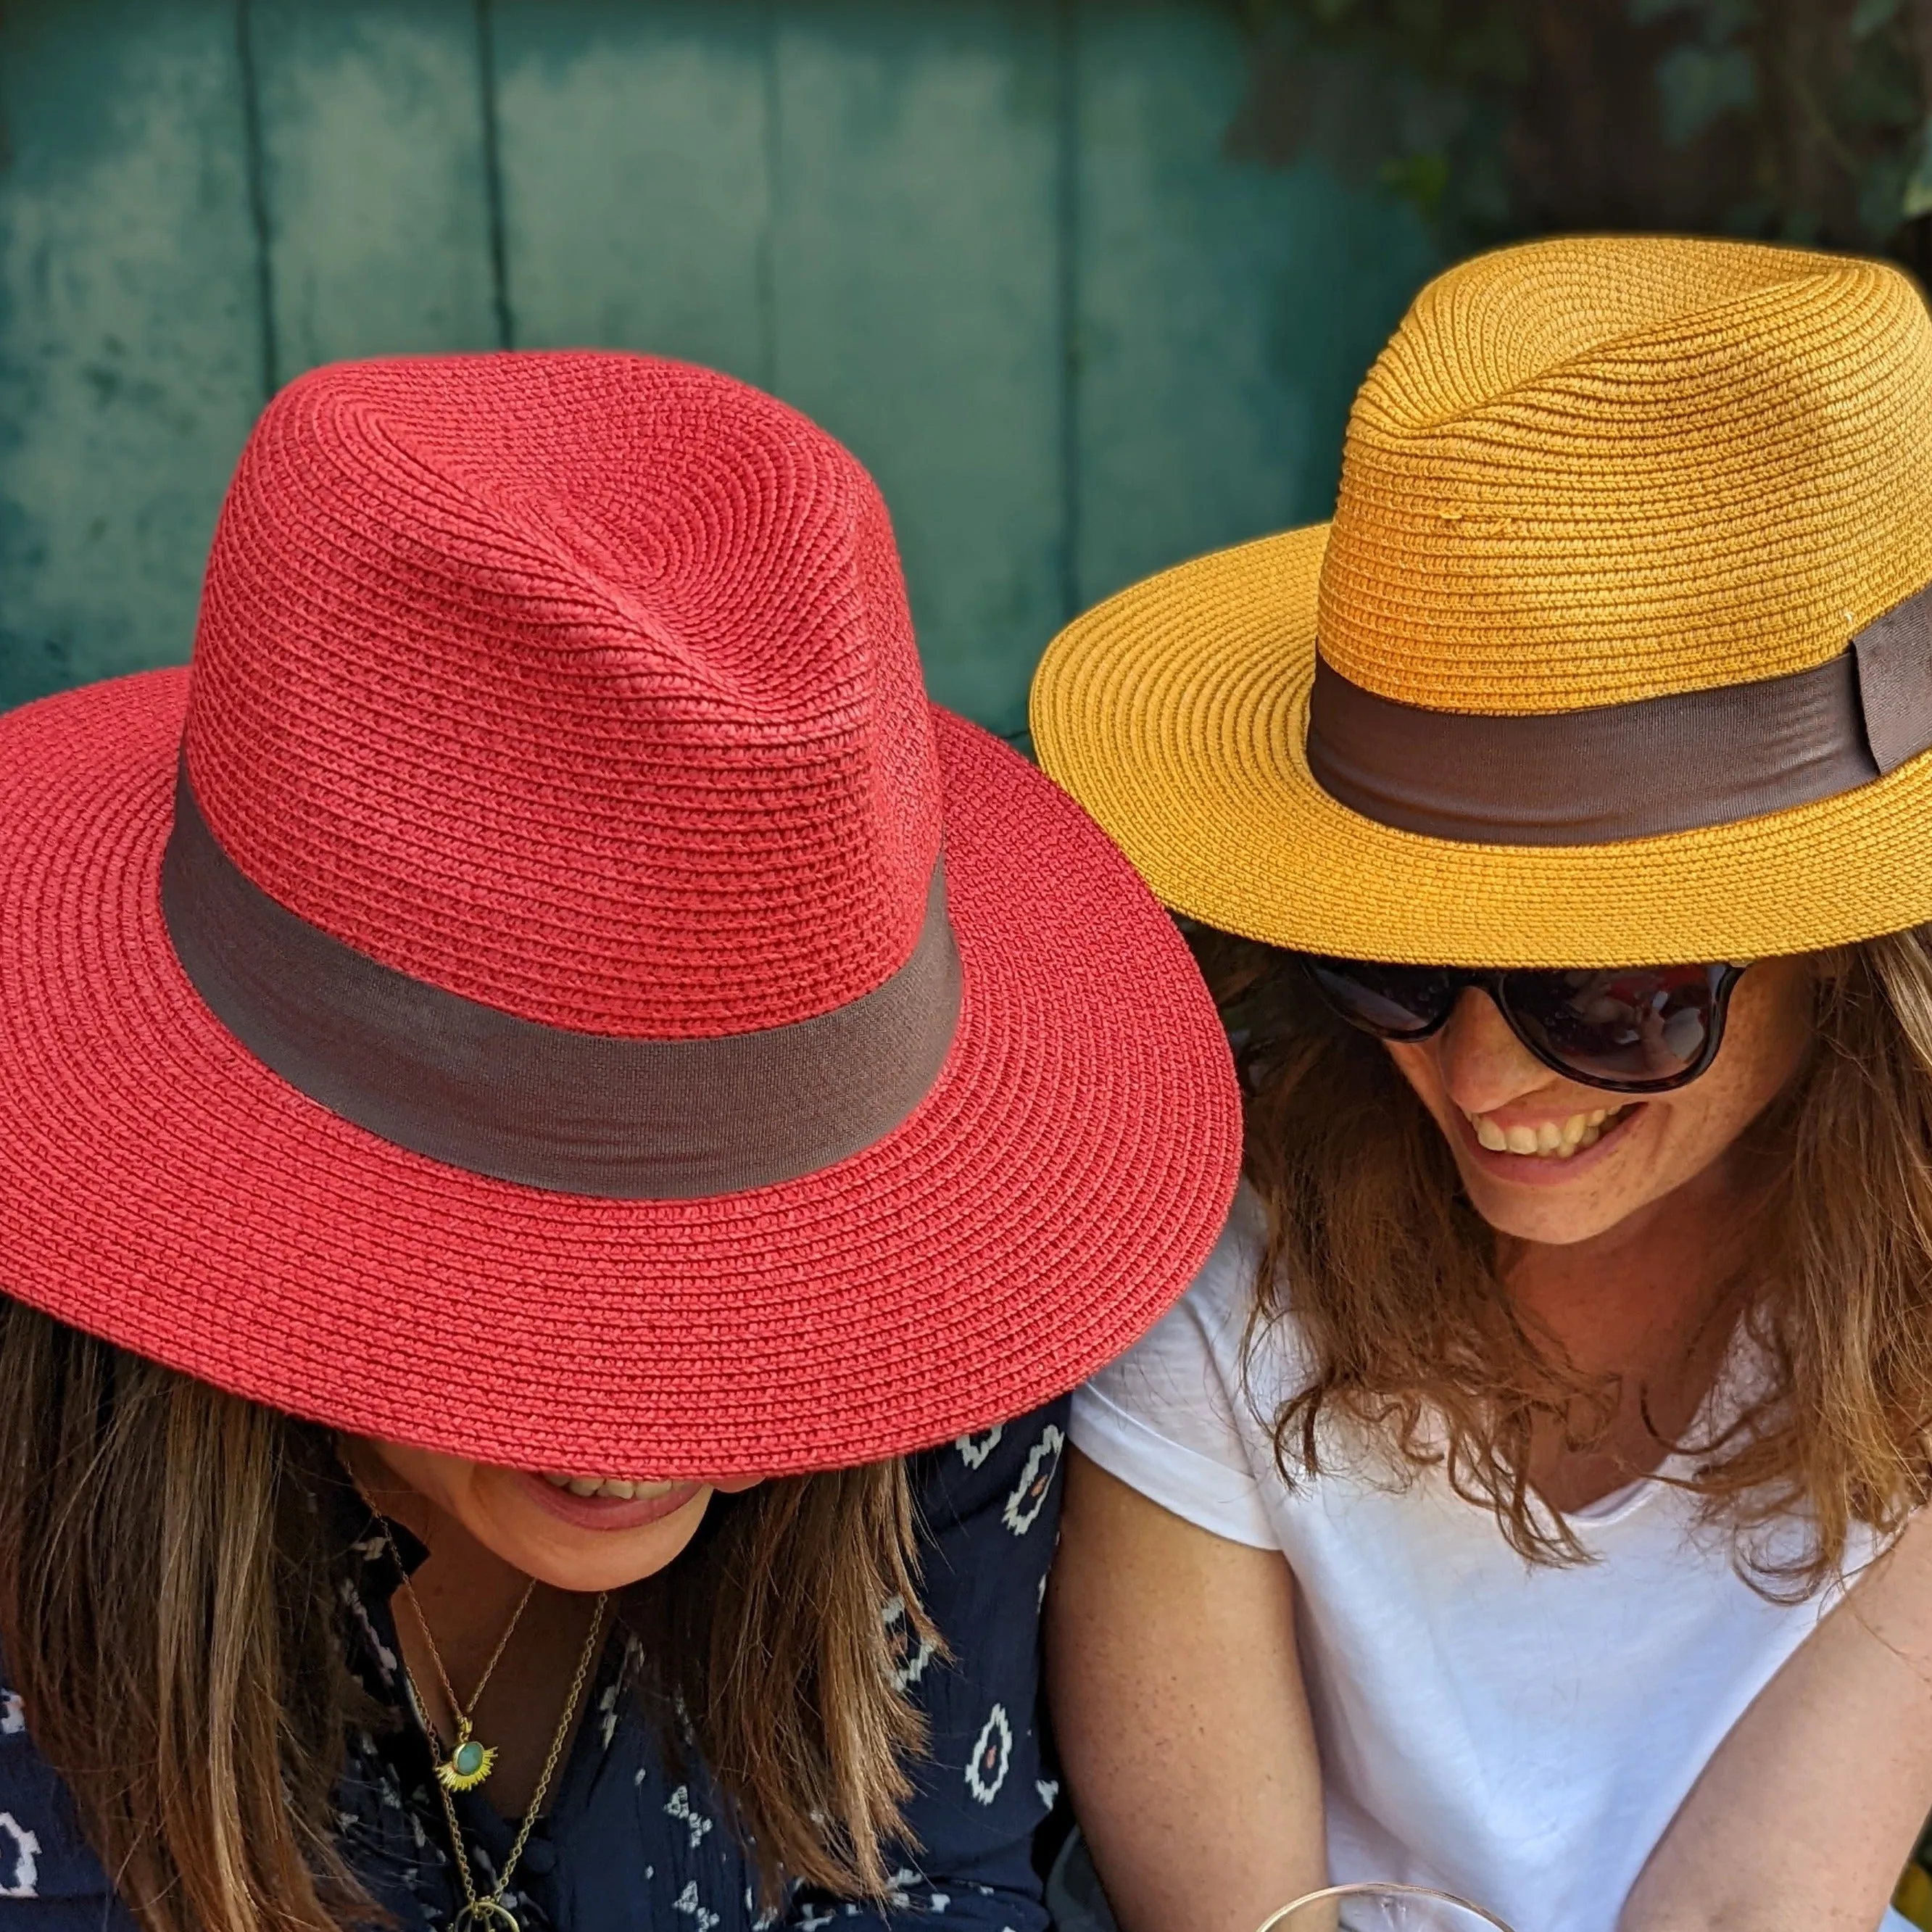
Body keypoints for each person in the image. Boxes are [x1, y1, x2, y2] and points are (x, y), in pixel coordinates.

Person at [0, 351, 1243, 1932]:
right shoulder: (45, 1479)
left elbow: (936, 1880)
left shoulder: (936, 1408)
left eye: (736, 1270)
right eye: (536, 1263)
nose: (643, 1422)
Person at [1029, 234, 1932, 1932]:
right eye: (1385, 958)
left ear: (1853, 954)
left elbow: (1761, 1908)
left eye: (1608, 994)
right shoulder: (1222, 1260)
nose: (1476, 1074)